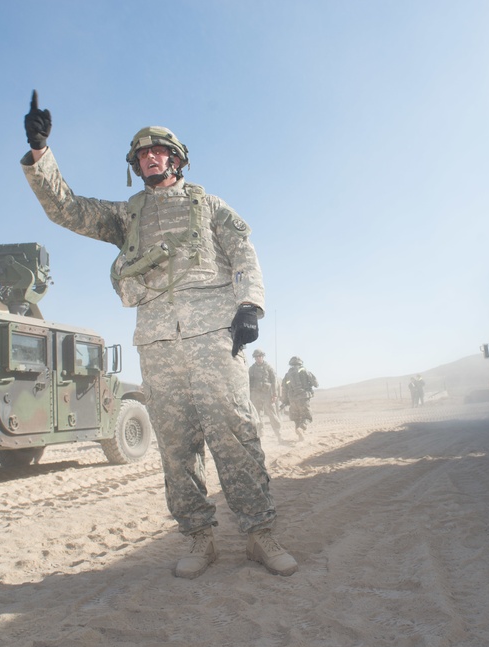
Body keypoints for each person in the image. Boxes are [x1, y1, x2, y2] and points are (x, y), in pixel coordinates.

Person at [20, 92, 297, 579]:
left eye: (157, 151)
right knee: (174, 443)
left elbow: (244, 252)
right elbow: (67, 210)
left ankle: (260, 535)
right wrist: (42, 153)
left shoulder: (208, 205)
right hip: (157, 344)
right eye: (141, 154)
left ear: (176, 158)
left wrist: (250, 305)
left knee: (234, 434)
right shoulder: (128, 215)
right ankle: (198, 539)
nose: (149, 157)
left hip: (214, 336)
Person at [248, 349, 283, 442]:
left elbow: (274, 381)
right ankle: (261, 432)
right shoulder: (251, 369)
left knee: (272, 413)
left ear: (263, 357)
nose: (258, 358)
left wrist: (275, 394)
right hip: (256, 394)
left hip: (267, 394)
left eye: (260, 356)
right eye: (256, 357)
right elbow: (248, 382)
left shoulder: (268, 367)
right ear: (254, 358)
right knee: (257, 414)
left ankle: (278, 434)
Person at [281, 356, 318, 440]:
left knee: (296, 418)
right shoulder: (305, 371)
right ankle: (301, 428)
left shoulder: (287, 375)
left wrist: (285, 401)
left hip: (292, 400)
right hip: (303, 398)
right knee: (307, 417)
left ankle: (300, 436)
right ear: (300, 363)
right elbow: (316, 383)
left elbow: (284, 389)